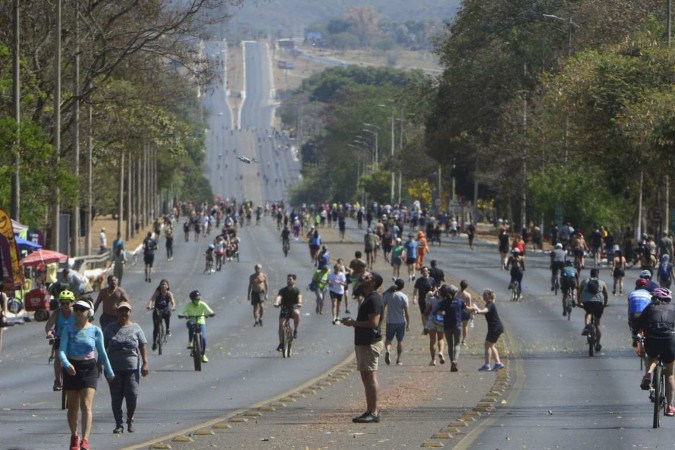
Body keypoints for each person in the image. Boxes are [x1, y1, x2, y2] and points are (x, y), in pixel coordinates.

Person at [59, 299, 114, 450]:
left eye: (81, 309)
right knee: (72, 408)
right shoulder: (68, 329)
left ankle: (85, 440)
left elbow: (102, 352)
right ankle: (74, 436)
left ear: (88, 313)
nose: (78, 312)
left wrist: (109, 371)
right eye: (75, 309)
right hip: (72, 367)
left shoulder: (95, 330)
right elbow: (62, 351)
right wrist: (66, 364)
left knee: (86, 405)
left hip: (89, 368)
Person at [342, 271, 384, 423]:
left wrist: (353, 323)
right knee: (366, 377)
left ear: (373, 283)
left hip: (370, 343)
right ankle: (370, 410)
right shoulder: (369, 298)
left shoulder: (374, 299)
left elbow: (373, 323)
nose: (362, 278)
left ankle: (373, 412)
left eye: (367, 277)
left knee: (370, 377)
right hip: (364, 342)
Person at [104, 302, 149, 434]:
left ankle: (130, 418)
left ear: (130, 313)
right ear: (117, 313)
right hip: (113, 369)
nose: (124, 313)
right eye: (121, 311)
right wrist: (100, 363)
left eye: (126, 311)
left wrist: (145, 363)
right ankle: (119, 423)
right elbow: (102, 347)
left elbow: (142, 345)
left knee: (132, 395)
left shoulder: (136, 328)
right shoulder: (109, 329)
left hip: (132, 369)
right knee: (116, 397)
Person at [635, 287, 675, 416]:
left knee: (652, 357)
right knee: (670, 374)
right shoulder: (673, 308)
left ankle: (648, 374)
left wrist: (636, 336)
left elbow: (638, 322)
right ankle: (670, 407)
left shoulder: (650, 308)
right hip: (670, 340)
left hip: (652, 339)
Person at [45, 290, 76, 391]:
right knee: (58, 357)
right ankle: (57, 381)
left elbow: (84, 323)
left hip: (74, 339)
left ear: (72, 303)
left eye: (67, 303)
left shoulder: (76, 312)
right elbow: (49, 324)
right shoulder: (57, 312)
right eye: (63, 303)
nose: (65, 305)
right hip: (60, 338)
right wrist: (49, 333)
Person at [436, 284, 470, 372]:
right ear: (455, 293)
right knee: (457, 344)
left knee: (450, 345)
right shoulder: (459, 301)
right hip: (457, 325)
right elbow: (467, 309)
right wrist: (475, 310)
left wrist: (444, 314)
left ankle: (452, 363)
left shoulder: (443, 302)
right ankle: (455, 360)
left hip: (447, 325)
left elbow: (439, 313)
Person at [472, 289, 505, 371]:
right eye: (483, 295)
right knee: (491, 345)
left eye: (485, 295)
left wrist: (479, 311)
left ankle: (487, 365)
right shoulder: (489, 304)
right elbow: (485, 312)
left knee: (487, 345)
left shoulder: (490, 304)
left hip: (495, 327)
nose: (483, 296)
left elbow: (485, 311)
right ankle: (498, 363)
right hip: (496, 327)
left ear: (489, 296)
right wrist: (478, 311)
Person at [578, 268, 609, 352]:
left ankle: (587, 326)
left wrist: (578, 302)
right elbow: (606, 295)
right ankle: (598, 343)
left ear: (590, 274)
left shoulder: (584, 281)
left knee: (588, 313)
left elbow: (579, 292)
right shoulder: (602, 283)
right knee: (597, 324)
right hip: (598, 303)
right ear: (598, 274)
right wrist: (605, 304)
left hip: (587, 303)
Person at [180, 290, 215, 363]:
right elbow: (181, 312)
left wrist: (211, 314)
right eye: (196, 299)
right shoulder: (188, 305)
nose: (198, 300)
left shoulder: (203, 304)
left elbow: (210, 311)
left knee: (204, 338)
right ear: (192, 299)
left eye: (199, 298)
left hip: (201, 322)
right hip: (191, 321)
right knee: (191, 325)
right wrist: (182, 315)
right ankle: (190, 342)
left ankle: (203, 354)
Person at [383, 278, 410, 366]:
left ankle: (387, 351)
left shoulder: (388, 295)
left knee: (388, 339)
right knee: (400, 341)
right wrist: (408, 323)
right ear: (402, 287)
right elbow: (406, 311)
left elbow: (383, 305)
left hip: (390, 321)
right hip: (400, 321)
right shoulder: (404, 296)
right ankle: (398, 359)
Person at [274, 274, 303, 350]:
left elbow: (299, 297)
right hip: (284, 309)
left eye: (290, 279)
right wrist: (276, 303)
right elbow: (279, 297)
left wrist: (299, 303)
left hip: (293, 308)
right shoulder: (283, 290)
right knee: (281, 325)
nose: (288, 281)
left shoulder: (297, 290)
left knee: (297, 313)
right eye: (288, 279)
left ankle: (295, 330)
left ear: (294, 280)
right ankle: (281, 343)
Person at [146, 279, 176, 349]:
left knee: (167, 314)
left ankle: (168, 329)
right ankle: (154, 342)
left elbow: (173, 301)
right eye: (162, 284)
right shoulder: (157, 292)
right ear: (160, 285)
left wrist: (173, 307)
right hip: (157, 310)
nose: (163, 286)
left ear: (167, 286)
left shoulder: (169, 293)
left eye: (165, 284)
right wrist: (149, 305)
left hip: (165, 310)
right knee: (155, 328)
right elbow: (152, 299)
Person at [424, 285, 445, 366]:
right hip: (441, 320)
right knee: (441, 338)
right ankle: (441, 352)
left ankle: (433, 360)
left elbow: (426, 311)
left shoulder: (432, 299)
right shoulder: (445, 300)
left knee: (432, 341)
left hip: (432, 321)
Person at [457, 280, 474, 345]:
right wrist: (472, 313)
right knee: (465, 326)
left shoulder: (456, 294)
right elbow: (470, 305)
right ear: (466, 287)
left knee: (458, 326)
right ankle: (463, 340)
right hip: (466, 311)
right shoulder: (468, 295)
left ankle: (457, 339)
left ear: (460, 285)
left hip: (458, 311)